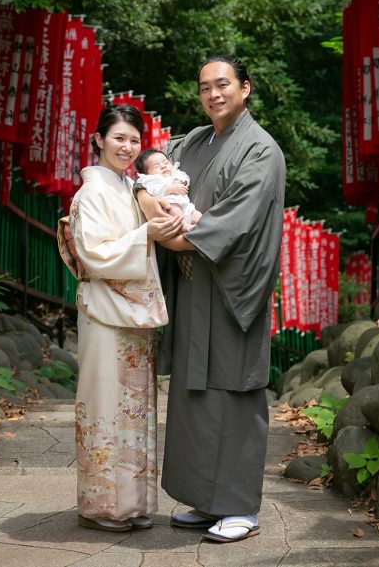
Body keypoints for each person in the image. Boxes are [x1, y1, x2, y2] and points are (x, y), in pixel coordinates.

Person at [136, 56, 286, 544]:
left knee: (234, 391)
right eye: (205, 87)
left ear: (246, 87)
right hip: (191, 285)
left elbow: (238, 219)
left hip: (230, 286)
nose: (214, 94)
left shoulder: (261, 150)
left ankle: (239, 505)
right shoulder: (194, 141)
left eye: (223, 85)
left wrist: (173, 238)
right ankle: (205, 500)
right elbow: (145, 177)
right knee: (192, 393)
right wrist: (150, 205)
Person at [55, 104, 184, 533]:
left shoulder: (129, 187)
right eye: (118, 138)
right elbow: (93, 251)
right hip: (104, 311)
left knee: (133, 408)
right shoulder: (92, 192)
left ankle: (131, 504)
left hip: (130, 313)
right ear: (98, 139)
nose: (127, 147)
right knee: (105, 407)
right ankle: (101, 507)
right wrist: (143, 235)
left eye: (134, 140)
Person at [134, 149, 202, 231]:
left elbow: (185, 177)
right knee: (175, 211)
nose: (163, 166)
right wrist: (170, 189)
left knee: (197, 215)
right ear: (147, 173)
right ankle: (183, 226)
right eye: (156, 166)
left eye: (166, 162)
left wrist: (179, 181)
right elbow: (155, 191)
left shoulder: (175, 173)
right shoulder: (152, 180)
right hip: (170, 206)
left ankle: (203, 226)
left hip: (186, 205)